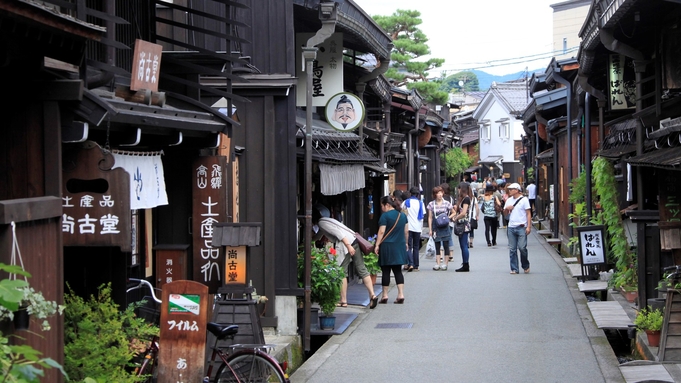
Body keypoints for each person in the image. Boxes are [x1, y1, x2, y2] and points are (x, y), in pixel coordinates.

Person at [312, 207, 379, 308]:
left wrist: (348, 246)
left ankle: (343, 300)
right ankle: (372, 295)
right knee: (362, 269)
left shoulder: (322, 223)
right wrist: (310, 240)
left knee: (341, 272)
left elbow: (340, 234)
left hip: (347, 245)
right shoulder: (327, 220)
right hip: (354, 241)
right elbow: (318, 236)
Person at [375, 196, 409, 304]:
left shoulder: (384, 216)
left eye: (382, 206)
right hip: (399, 245)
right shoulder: (403, 216)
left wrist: (376, 245)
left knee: (386, 271)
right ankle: (401, 294)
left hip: (387, 246)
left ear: (387, 205)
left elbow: (381, 231)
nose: (382, 208)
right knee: (398, 271)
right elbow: (406, 231)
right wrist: (406, 242)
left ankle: (385, 295)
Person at [504, 183, 532, 274]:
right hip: (511, 227)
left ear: (517, 190)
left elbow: (528, 213)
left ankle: (525, 265)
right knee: (512, 249)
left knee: (522, 247)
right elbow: (505, 214)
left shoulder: (524, 200)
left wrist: (528, 226)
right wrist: (507, 209)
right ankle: (514, 268)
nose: (510, 191)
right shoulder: (508, 200)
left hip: (521, 226)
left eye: (511, 189)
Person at [427, 186, 456, 271]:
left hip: (445, 226)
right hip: (436, 227)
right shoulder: (431, 204)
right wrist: (430, 230)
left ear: (443, 193)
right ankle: (438, 263)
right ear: (435, 194)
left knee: (446, 244)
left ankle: (445, 264)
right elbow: (430, 217)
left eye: (441, 192)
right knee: (437, 245)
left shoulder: (446, 203)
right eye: (437, 193)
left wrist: (448, 218)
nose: (439, 194)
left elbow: (454, 212)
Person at [401, 186, 424, 272]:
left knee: (408, 246)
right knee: (416, 247)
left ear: (410, 193)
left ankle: (410, 263)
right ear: (418, 194)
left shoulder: (406, 202)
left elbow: (402, 212)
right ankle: (416, 265)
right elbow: (422, 216)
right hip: (417, 227)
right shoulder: (420, 203)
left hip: (408, 227)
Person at [452, 182, 472, 272]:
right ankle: (465, 263)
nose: (458, 190)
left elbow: (464, 213)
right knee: (463, 245)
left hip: (464, 223)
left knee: (463, 245)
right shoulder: (465, 198)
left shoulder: (466, 199)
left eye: (459, 188)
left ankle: (466, 264)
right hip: (463, 223)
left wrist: (456, 217)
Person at [440, 182, 455, 260]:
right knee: (449, 237)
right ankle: (451, 255)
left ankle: (442, 255)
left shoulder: (441, 199)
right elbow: (455, 208)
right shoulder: (451, 198)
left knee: (441, 237)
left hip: (442, 221)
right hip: (450, 221)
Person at [466, 183, 480, 248]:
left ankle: (467, 241)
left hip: (466, 217)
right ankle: (471, 242)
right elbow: (477, 207)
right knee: (471, 230)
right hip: (473, 216)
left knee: (466, 230)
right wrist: (477, 215)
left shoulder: (465, 198)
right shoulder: (474, 199)